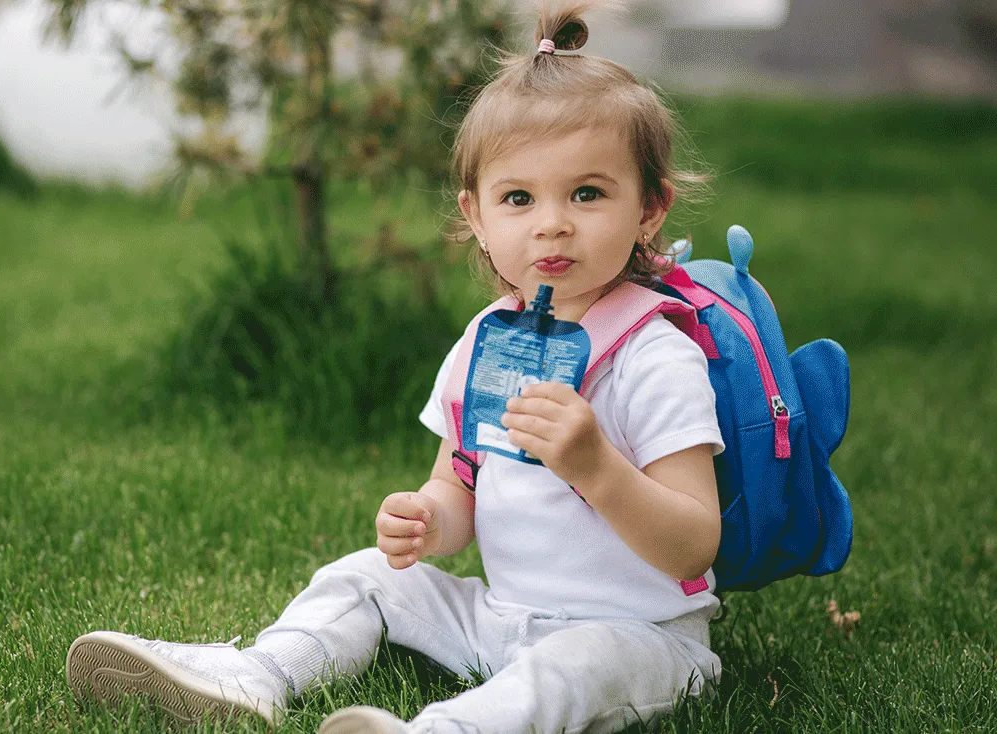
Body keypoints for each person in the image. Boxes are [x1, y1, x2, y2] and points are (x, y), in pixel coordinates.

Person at [66, 2, 725, 731]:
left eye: (588, 193)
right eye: (518, 197)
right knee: (365, 576)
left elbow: (695, 543)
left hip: (641, 636)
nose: (552, 222)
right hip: (501, 620)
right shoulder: (487, 343)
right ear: (476, 216)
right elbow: (458, 482)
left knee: (576, 668)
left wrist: (597, 466)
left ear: (650, 208)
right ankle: (260, 672)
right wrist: (428, 521)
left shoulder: (656, 354)